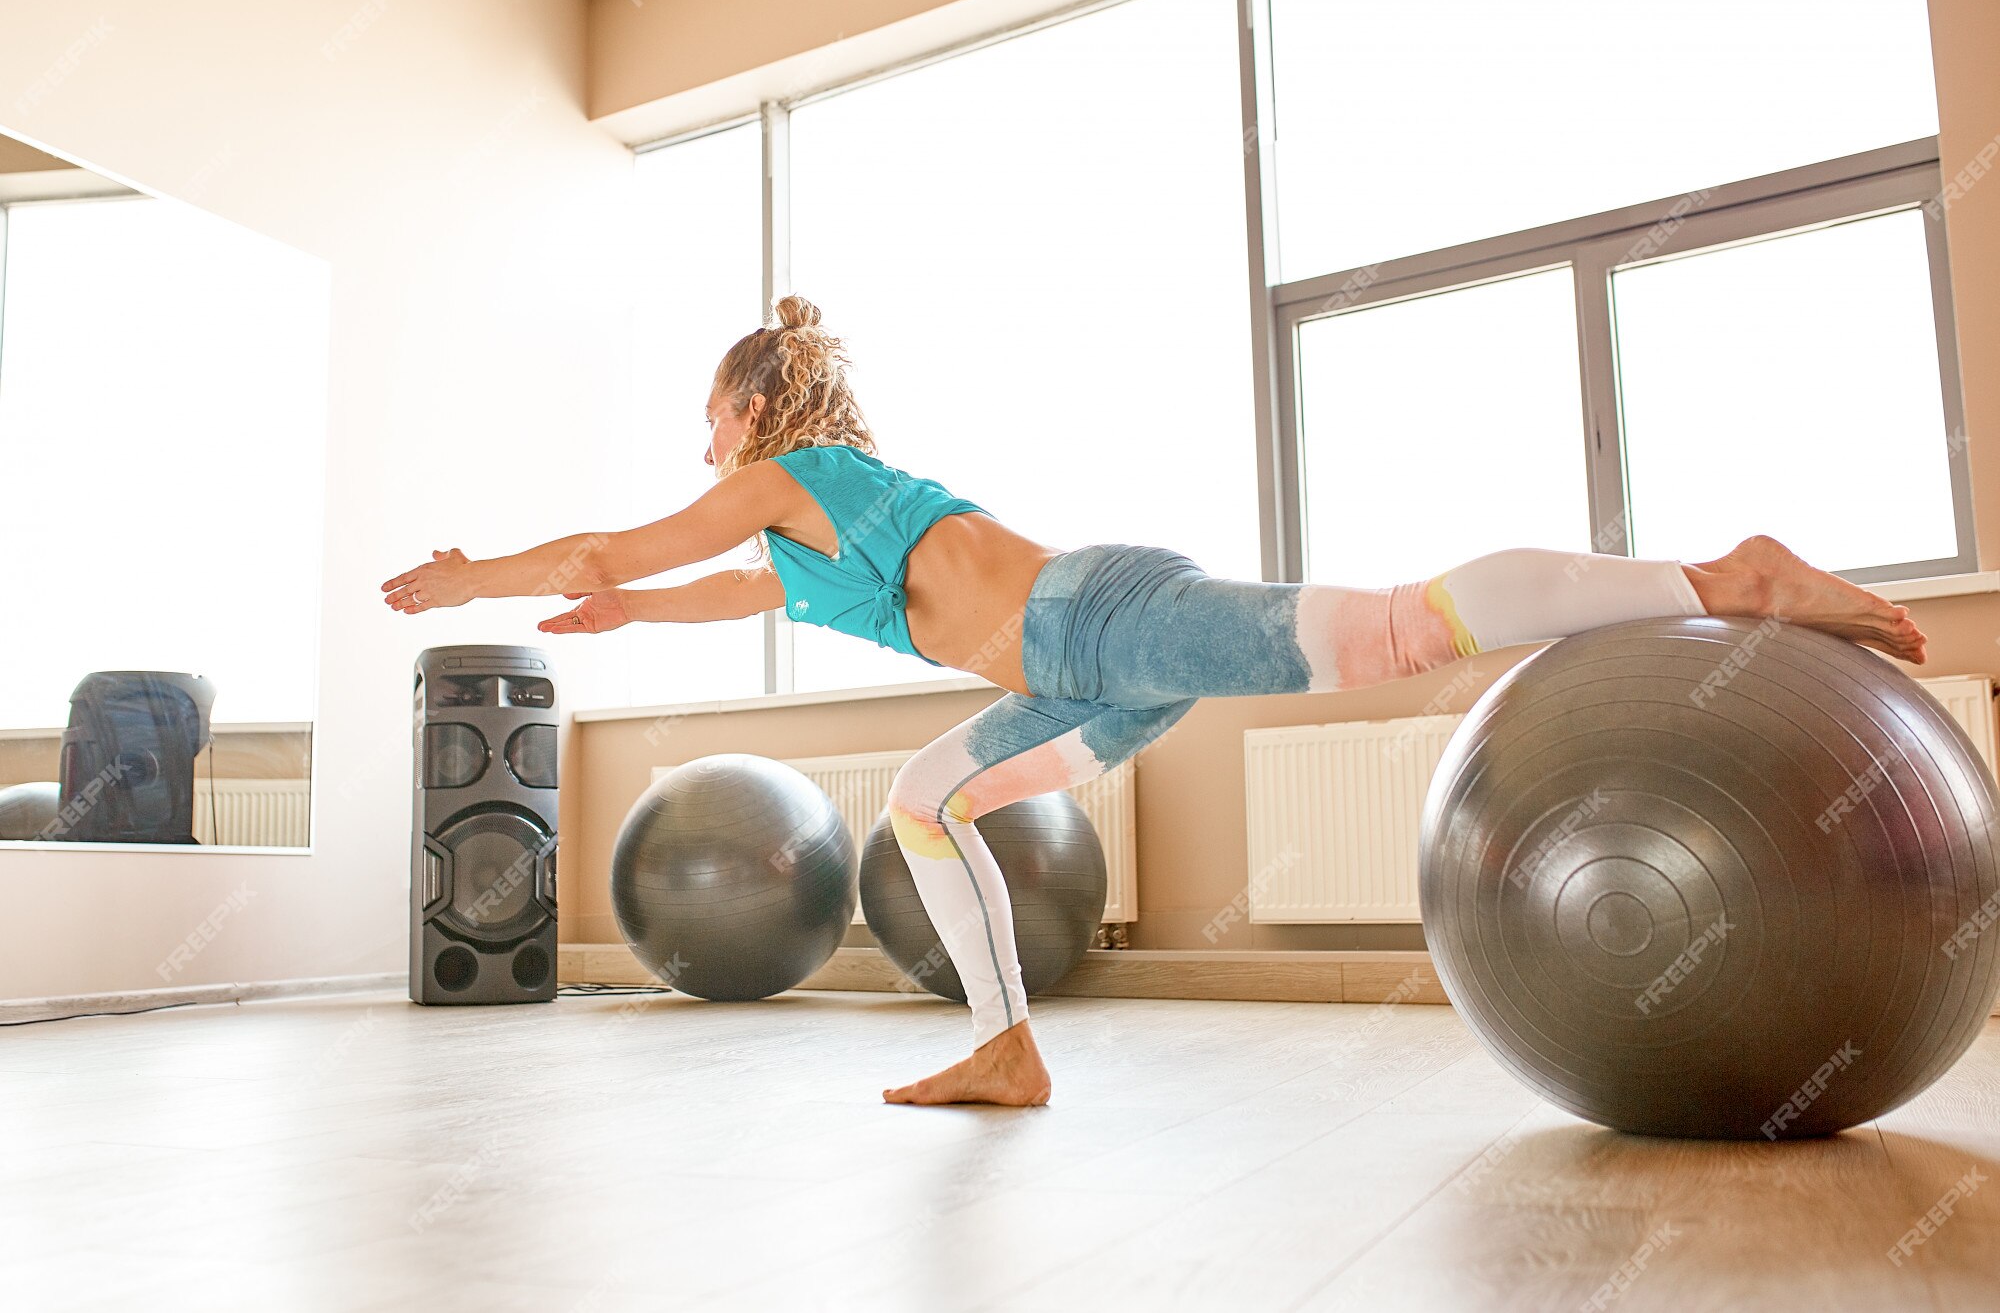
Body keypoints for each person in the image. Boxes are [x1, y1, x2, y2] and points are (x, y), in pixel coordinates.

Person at [382, 294, 1930, 1108]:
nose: (700, 438)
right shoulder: (807, 538)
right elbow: (702, 589)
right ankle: (1005, 1045)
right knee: (928, 800)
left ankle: (1721, 578)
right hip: (1075, 669)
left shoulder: (794, 476)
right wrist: (614, 609)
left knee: (1397, 630)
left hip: (1101, 614)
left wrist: (477, 578)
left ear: (753, 409)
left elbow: (612, 538)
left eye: (706, 414)